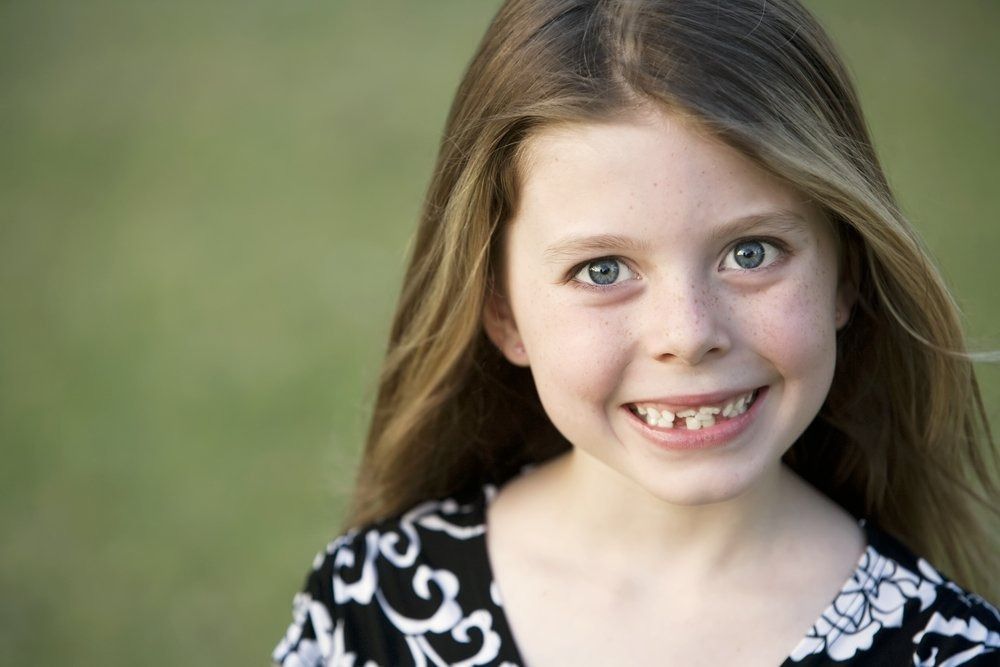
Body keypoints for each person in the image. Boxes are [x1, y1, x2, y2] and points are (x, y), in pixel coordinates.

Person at [273, 0, 1000, 664]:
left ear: (846, 275)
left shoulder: (949, 651)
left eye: (751, 253)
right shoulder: (372, 604)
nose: (688, 333)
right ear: (502, 311)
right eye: (602, 270)